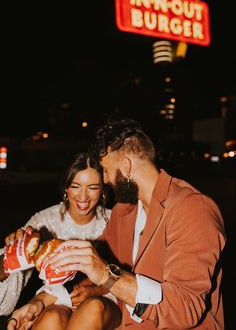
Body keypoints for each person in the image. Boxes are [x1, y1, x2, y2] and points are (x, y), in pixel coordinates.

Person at [46, 118, 226, 330]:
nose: (105, 180)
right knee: (51, 319)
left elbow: (184, 310)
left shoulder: (192, 209)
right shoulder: (124, 211)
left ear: (126, 166)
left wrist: (107, 274)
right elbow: (92, 267)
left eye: (105, 170)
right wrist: (41, 300)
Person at [2, 151, 121, 329]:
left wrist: (97, 290)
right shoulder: (45, 222)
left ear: (103, 190)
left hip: (105, 298)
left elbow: (132, 274)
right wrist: (11, 257)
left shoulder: (116, 221)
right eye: (76, 186)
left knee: (93, 308)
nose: (83, 196)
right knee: (52, 317)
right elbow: (8, 289)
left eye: (93, 187)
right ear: (66, 188)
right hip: (56, 298)